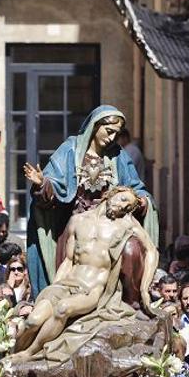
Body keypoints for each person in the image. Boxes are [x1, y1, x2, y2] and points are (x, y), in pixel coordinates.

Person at [23, 105, 158, 303]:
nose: (112, 138)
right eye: (109, 131)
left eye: (116, 134)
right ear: (95, 126)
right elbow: (54, 186)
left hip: (111, 225)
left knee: (132, 249)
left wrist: (140, 201)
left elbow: (137, 189)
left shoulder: (118, 156)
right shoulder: (70, 150)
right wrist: (43, 184)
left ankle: (131, 304)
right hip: (75, 225)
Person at [12, 186, 159, 359]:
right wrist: (55, 286)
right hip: (68, 283)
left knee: (63, 309)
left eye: (129, 206)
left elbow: (152, 251)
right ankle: (13, 355)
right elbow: (68, 260)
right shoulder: (78, 220)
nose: (124, 206)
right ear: (111, 194)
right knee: (32, 321)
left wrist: (144, 289)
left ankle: (29, 354)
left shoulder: (127, 224)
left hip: (92, 290)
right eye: (123, 199)